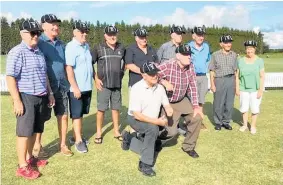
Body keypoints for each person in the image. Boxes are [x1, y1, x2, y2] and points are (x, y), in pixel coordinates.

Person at [6, 19, 54, 179]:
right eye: (33, 33)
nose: (36, 36)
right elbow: (10, 77)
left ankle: (30, 158)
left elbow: (44, 75)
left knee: (36, 129)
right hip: (26, 96)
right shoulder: (17, 52)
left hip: (41, 96)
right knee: (24, 132)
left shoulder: (39, 52)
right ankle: (22, 166)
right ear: (23, 34)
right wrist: (17, 100)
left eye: (38, 33)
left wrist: (50, 93)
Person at [121, 62, 173, 177]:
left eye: (156, 73)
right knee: (152, 129)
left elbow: (166, 104)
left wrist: (169, 111)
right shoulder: (136, 88)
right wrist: (158, 122)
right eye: (151, 74)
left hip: (151, 118)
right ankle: (145, 164)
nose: (155, 76)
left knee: (170, 131)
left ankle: (128, 138)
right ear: (143, 75)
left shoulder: (160, 88)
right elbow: (137, 115)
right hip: (136, 119)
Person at [35, 14, 73, 157]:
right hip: (44, 88)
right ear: (43, 26)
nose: (56, 26)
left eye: (57, 24)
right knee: (42, 117)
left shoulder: (62, 44)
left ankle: (62, 144)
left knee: (63, 116)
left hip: (62, 86)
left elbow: (65, 66)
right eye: (52, 24)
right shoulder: (38, 42)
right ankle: (38, 145)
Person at [158, 44, 203, 158]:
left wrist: (196, 106)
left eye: (189, 54)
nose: (189, 57)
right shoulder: (168, 65)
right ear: (178, 55)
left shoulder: (191, 66)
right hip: (168, 102)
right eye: (185, 55)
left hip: (182, 99)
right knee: (171, 132)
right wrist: (163, 81)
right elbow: (152, 74)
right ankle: (156, 138)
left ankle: (188, 146)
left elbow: (193, 87)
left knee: (197, 117)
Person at [91, 26, 126, 144]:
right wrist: (95, 78)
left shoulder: (122, 47)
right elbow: (89, 63)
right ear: (105, 35)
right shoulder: (98, 48)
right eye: (109, 34)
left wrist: (121, 73)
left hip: (117, 84)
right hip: (103, 85)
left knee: (116, 109)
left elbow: (125, 63)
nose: (112, 36)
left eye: (114, 34)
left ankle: (116, 131)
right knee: (101, 109)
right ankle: (99, 132)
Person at [65, 21, 93, 153]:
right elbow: (69, 69)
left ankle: (76, 135)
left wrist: (96, 78)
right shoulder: (71, 47)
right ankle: (78, 141)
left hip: (87, 87)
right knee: (76, 115)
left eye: (86, 31)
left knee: (81, 113)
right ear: (75, 32)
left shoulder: (86, 46)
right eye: (82, 31)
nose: (85, 34)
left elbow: (90, 65)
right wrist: (75, 87)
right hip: (77, 88)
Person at [209, 35, 238, 131]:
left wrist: (236, 85)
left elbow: (236, 71)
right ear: (221, 44)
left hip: (231, 79)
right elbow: (212, 70)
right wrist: (212, 84)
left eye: (230, 42)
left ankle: (226, 122)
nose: (228, 44)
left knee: (229, 103)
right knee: (218, 103)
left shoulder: (234, 55)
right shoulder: (215, 55)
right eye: (226, 42)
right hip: (219, 80)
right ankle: (218, 122)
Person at [236, 40, 265, 134]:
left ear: (254, 49)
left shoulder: (259, 61)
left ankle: (253, 126)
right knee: (244, 108)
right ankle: (244, 125)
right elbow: (237, 76)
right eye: (248, 48)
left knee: (255, 108)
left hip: (255, 90)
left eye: (251, 48)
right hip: (243, 88)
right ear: (245, 49)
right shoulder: (240, 61)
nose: (249, 50)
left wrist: (261, 89)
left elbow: (262, 76)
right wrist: (237, 88)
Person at [188, 26, 211, 130]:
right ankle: (190, 122)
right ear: (193, 36)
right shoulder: (188, 46)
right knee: (192, 100)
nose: (201, 37)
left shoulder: (206, 47)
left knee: (201, 100)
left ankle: (199, 122)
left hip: (203, 77)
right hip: (192, 77)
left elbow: (208, 60)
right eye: (198, 35)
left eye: (202, 35)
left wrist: (205, 68)